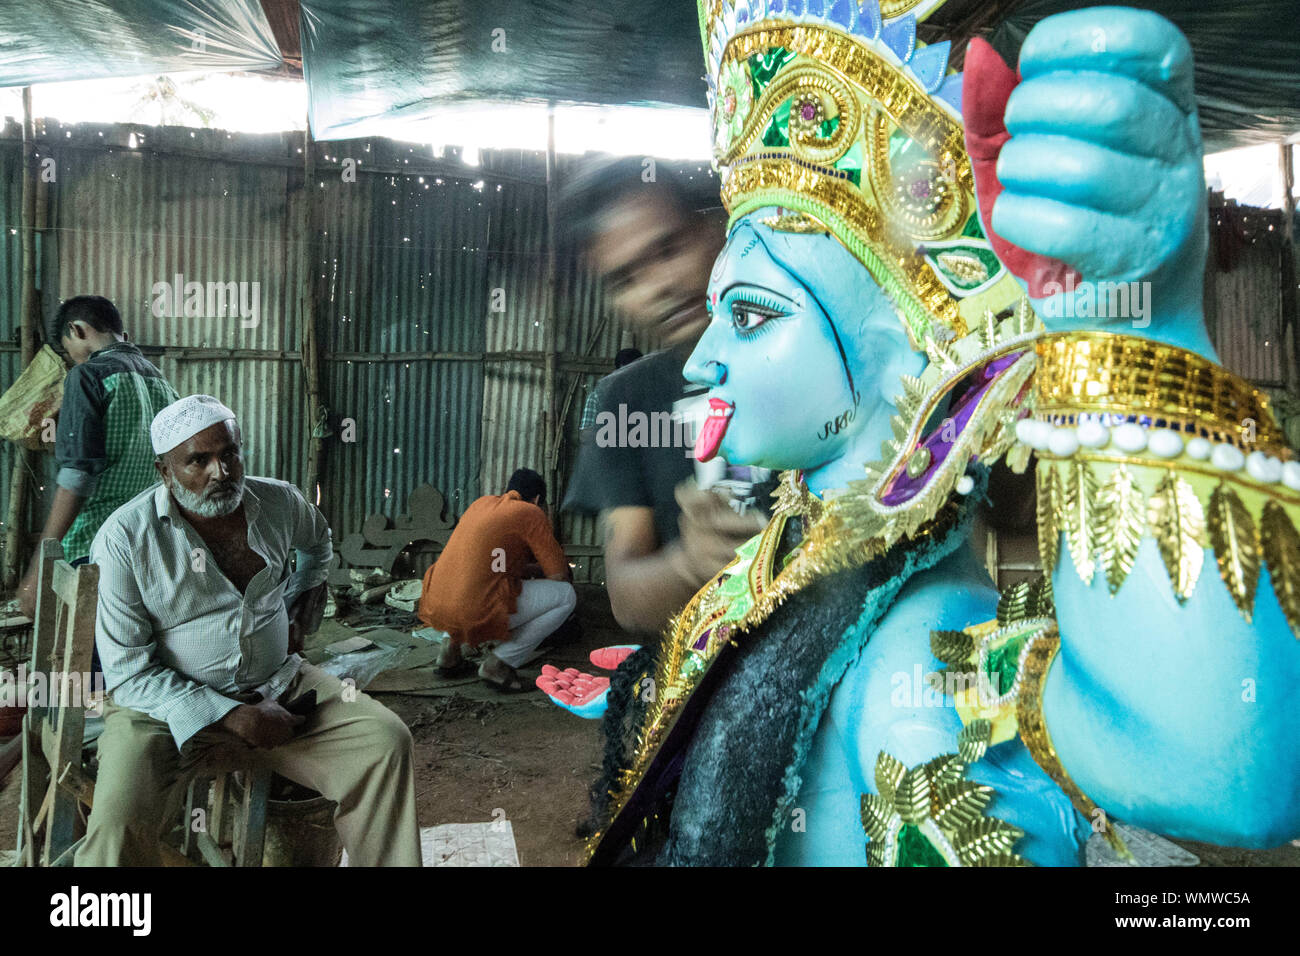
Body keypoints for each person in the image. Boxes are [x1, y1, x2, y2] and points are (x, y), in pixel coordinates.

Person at [76, 395, 421, 866]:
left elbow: (318, 543)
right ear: (164, 471)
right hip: (157, 715)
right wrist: (230, 715)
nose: (220, 472)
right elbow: (128, 673)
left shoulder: (280, 503)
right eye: (198, 460)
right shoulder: (123, 539)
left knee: (384, 742)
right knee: (116, 828)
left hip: (280, 687)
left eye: (229, 453)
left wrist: (305, 592)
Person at [560, 158, 767, 636]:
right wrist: (690, 564)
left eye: (669, 248)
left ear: (715, 226)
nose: (658, 288)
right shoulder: (625, 401)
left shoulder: (813, 351)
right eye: (625, 280)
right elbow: (627, 598)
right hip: (709, 679)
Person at [17, 295, 178, 617]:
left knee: (85, 650)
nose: (73, 360)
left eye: (68, 351)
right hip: (147, 543)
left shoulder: (87, 376)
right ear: (124, 337)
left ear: (77, 330)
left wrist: (38, 569)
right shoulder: (163, 385)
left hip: (93, 547)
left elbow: (77, 478)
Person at [417, 468, 576, 693]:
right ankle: (499, 665)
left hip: (437, 604)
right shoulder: (530, 512)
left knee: (470, 582)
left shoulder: (480, 504)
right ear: (537, 499)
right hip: (472, 610)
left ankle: (448, 654)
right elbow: (559, 577)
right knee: (566, 597)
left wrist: (528, 568)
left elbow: (492, 565)